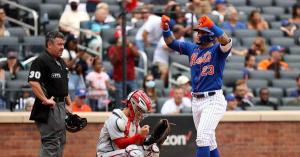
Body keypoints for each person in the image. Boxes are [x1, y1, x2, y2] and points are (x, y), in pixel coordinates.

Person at [161, 14, 232, 157]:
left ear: (210, 35)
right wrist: (166, 29)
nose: (198, 35)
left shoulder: (218, 50)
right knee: (210, 141)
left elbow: (227, 41)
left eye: (201, 32)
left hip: (213, 100)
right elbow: (171, 43)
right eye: (198, 32)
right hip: (196, 100)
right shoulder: (192, 48)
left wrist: (212, 26)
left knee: (202, 138)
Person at [28, 31, 72, 157]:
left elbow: (63, 84)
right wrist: (45, 99)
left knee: (61, 140)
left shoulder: (61, 62)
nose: (62, 47)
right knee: (51, 142)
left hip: (61, 105)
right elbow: (33, 82)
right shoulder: (41, 60)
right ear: (49, 44)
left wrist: (68, 102)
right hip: (49, 108)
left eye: (63, 44)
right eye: (59, 44)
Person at [96, 90, 160, 157]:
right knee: (133, 152)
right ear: (133, 105)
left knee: (152, 149)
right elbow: (121, 144)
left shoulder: (134, 121)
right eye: (141, 110)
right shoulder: (115, 119)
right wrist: (140, 135)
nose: (141, 114)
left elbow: (139, 144)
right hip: (105, 154)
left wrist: (151, 139)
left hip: (120, 153)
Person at [107, 31, 139, 108]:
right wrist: (118, 49)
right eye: (119, 38)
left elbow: (137, 55)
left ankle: (134, 114)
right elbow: (113, 62)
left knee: (134, 97)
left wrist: (129, 45)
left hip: (131, 77)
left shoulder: (130, 46)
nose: (121, 40)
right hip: (119, 78)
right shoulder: (113, 48)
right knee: (120, 100)